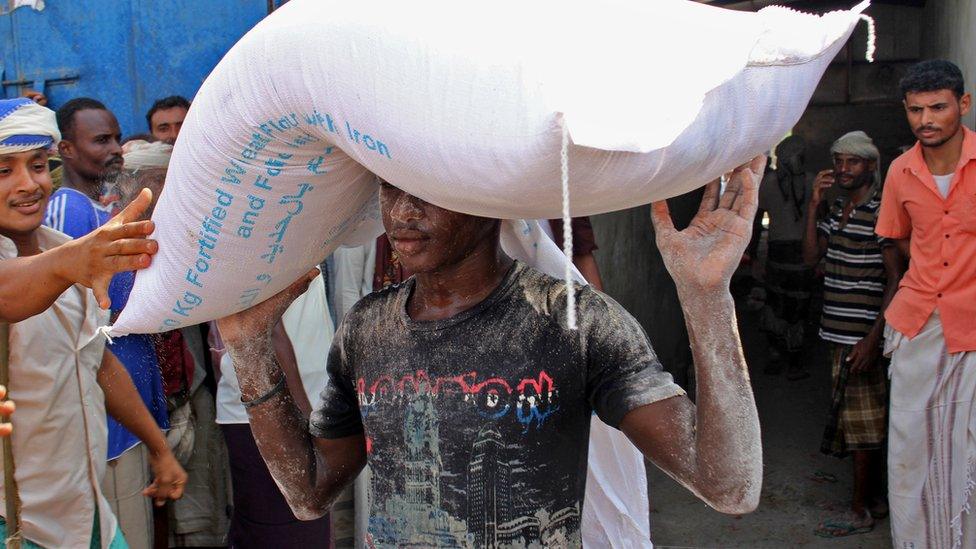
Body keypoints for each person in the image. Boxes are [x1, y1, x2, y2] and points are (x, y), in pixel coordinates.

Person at [217, 157, 766, 547]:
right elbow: (309, 492)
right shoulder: (368, 328)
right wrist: (249, 350)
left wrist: (705, 296)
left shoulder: (571, 322)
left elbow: (729, 486)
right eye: (391, 187)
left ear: (490, 201)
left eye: (428, 193)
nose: (403, 213)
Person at [0, 96, 186, 548]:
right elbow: (10, 292)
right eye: (4, 171)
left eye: (38, 166)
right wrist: (73, 260)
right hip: (17, 525)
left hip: (86, 516)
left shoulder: (63, 247)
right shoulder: (70, 256)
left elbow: (95, 363)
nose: (29, 184)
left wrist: (159, 450)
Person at [45, 100, 170, 549]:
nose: (116, 148)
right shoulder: (68, 211)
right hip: (109, 428)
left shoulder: (104, 211)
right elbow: (73, 331)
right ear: (67, 150)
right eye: (101, 140)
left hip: (131, 415)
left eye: (117, 136)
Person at [875, 59, 976, 548]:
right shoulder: (899, 171)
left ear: (963, 104)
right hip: (916, 325)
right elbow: (893, 243)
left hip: (972, 328)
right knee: (911, 451)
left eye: (938, 107)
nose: (926, 120)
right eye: (916, 110)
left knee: (967, 451)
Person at [801, 131, 901, 537]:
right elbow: (812, 259)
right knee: (855, 420)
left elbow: (896, 279)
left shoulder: (884, 214)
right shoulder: (836, 208)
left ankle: (859, 509)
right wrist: (812, 209)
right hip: (837, 335)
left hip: (862, 337)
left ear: (871, 167)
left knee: (863, 426)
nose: (843, 169)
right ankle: (874, 500)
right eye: (838, 161)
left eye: (853, 162)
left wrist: (873, 340)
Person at [214, 272, 334, 548]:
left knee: (305, 529)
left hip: (290, 403)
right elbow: (265, 328)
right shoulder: (259, 234)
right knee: (284, 533)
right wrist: (306, 420)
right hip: (274, 411)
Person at [757, 136, 814, 379]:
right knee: (797, 307)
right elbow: (820, 217)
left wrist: (752, 257)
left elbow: (756, 222)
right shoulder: (811, 181)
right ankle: (794, 361)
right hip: (802, 253)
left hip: (780, 252)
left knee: (776, 304)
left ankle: (776, 355)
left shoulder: (768, 182)